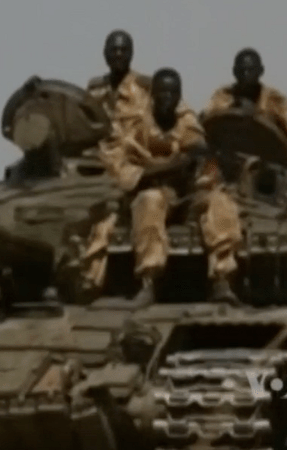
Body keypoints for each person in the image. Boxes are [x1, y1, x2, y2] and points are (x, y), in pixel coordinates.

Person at [85, 67, 243, 306]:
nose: (167, 98)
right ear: (152, 96)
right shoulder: (134, 128)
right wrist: (169, 166)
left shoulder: (188, 124)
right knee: (149, 201)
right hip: (151, 194)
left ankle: (222, 279)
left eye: (173, 93)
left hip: (188, 195)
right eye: (162, 93)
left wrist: (206, 164)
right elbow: (121, 172)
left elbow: (204, 161)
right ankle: (148, 282)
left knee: (220, 203)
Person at [203, 48, 287, 155]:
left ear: (261, 71)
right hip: (226, 153)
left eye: (250, 70)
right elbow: (206, 125)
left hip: (267, 155)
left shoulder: (276, 100)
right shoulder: (222, 96)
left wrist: (266, 121)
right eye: (241, 70)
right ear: (234, 72)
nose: (246, 74)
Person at [86, 29, 151, 124]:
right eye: (114, 50)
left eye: (123, 50)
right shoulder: (95, 89)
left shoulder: (144, 88)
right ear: (105, 53)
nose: (118, 54)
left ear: (131, 53)